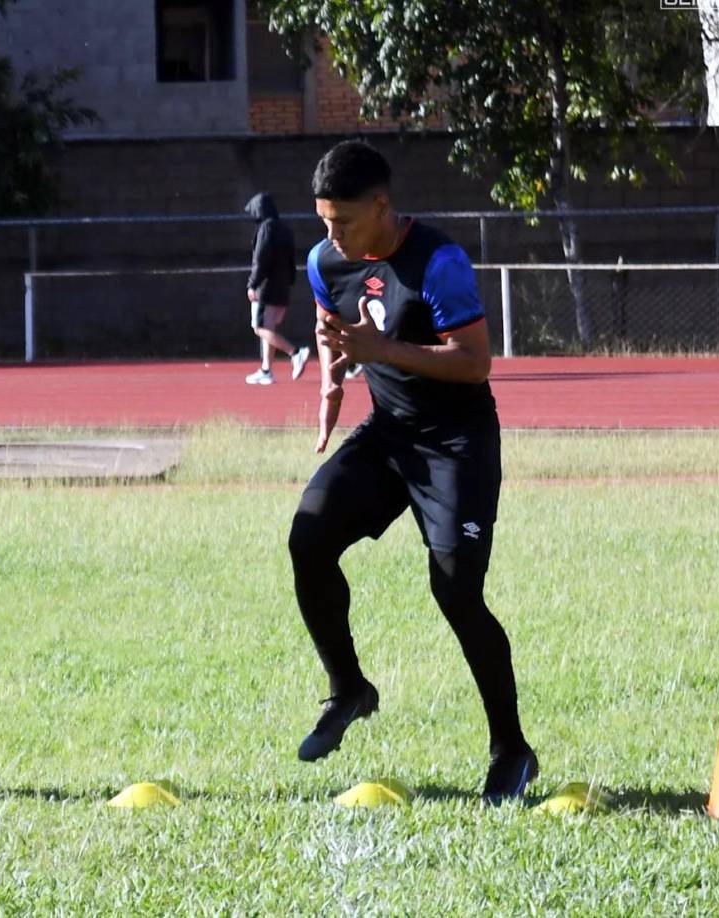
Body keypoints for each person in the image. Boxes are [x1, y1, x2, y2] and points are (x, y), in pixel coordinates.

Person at [288, 140, 537, 805]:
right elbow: (328, 319)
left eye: (342, 220)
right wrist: (331, 385)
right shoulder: (323, 260)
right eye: (322, 220)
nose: (330, 235)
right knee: (307, 537)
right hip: (388, 435)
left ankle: (510, 750)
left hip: (456, 444)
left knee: (455, 592)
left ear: (380, 206)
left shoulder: (438, 260)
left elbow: (474, 361)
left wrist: (381, 349)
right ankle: (348, 689)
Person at [243, 192, 309, 384]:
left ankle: (295, 352)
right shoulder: (284, 228)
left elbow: (261, 260)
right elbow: (290, 260)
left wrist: (252, 284)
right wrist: (289, 282)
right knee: (269, 328)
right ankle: (266, 370)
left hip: (267, 287)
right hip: (282, 286)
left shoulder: (266, 228)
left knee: (259, 328)